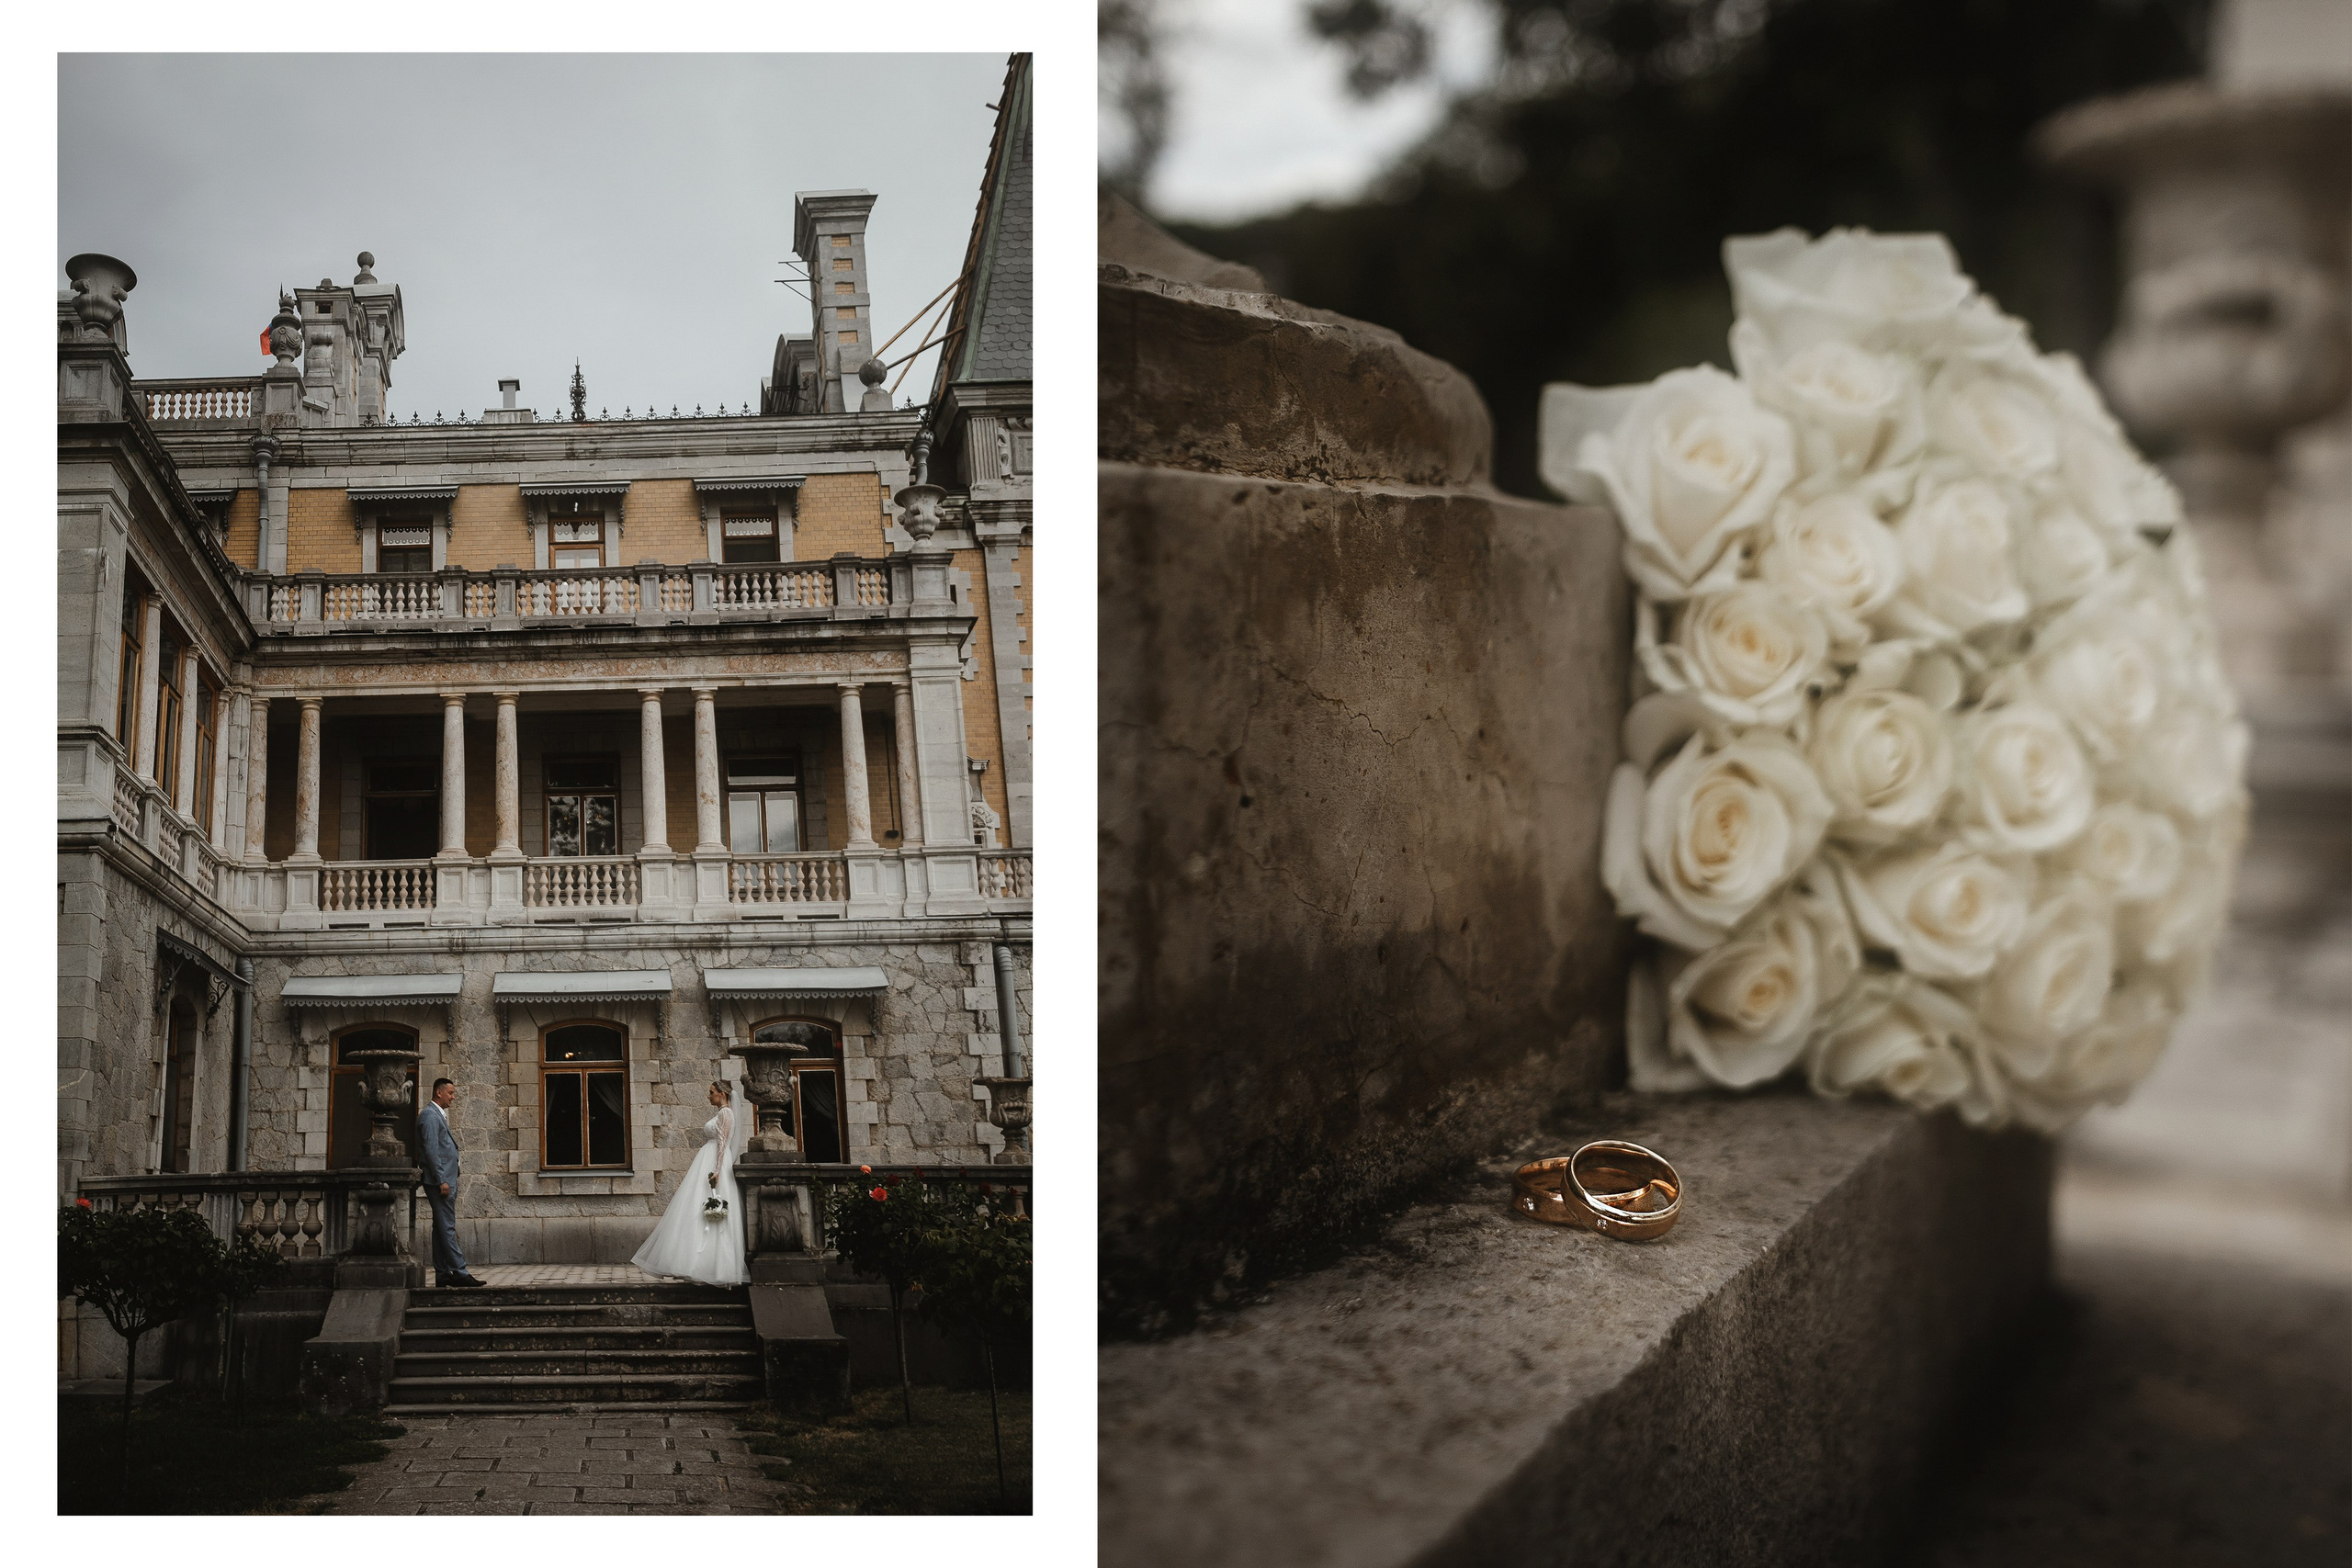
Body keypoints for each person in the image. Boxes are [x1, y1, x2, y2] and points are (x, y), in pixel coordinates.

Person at [630, 1077, 751, 1285]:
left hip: (714, 1161)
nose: (709, 1096)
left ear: (722, 1094)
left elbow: (723, 1142)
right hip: (710, 1158)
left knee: (711, 1212)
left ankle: (711, 1266)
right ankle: (696, 1264)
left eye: (712, 1092)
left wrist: (717, 1170)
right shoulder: (723, 1113)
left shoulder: (725, 1113)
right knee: (700, 1210)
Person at [417, 1077, 485, 1288]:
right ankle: (460, 1271)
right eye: (451, 1093)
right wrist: (441, 1180)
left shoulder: (437, 1115)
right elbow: (431, 1152)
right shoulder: (430, 1116)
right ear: (439, 1092)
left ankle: (442, 1273)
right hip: (440, 1182)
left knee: (440, 1228)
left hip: (444, 1179)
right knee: (447, 1226)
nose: (453, 1097)